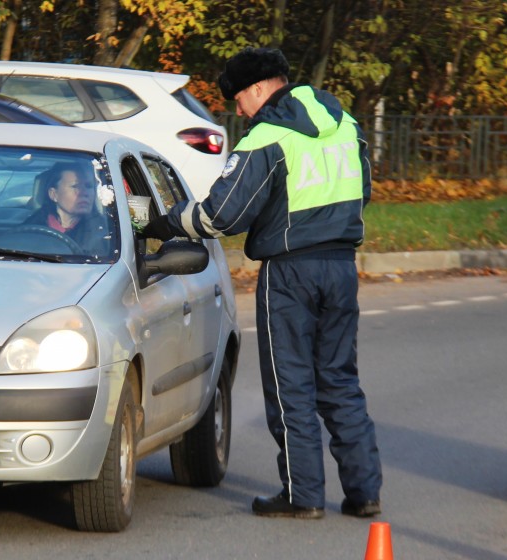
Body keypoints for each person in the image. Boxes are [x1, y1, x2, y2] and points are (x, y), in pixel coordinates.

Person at [143, 47, 382, 519]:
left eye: (236, 98)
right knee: (339, 380)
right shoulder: (348, 125)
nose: (235, 109)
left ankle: (303, 495)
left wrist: (162, 221)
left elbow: (220, 215)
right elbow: (364, 191)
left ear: (257, 88)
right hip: (340, 265)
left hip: (289, 273)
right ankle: (364, 492)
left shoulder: (268, 136)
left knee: (289, 382)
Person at [23, 162, 107, 252]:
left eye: (89, 186)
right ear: (53, 194)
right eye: (75, 186)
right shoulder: (29, 229)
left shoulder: (104, 232)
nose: (84, 193)